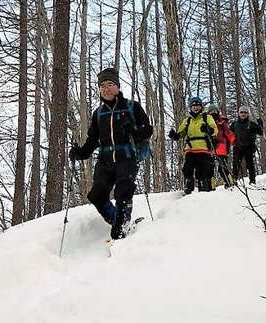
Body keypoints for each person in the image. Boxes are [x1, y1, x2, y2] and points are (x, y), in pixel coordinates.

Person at [69, 67, 153, 240]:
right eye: (102, 86)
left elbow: (148, 130)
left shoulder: (132, 107)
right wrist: (80, 153)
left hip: (127, 157)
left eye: (110, 84)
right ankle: (119, 221)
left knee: (123, 191)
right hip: (105, 160)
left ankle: (120, 231)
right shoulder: (98, 113)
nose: (106, 88)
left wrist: (134, 131)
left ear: (118, 87)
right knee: (96, 195)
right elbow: (92, 140)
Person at [168, 96, 218, 194]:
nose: (195, 107)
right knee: (187, 168)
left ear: (201, 107)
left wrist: (208, 129)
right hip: (190, 149)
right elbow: (181, 132)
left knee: (202, 171)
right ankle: (188, 185)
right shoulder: (187, 120)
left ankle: (203, 187)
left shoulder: (207, 117)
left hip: (204, 148)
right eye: (193, 105)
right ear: (190, 107)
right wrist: (175, 135)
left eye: (198, 105)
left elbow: (214, 130)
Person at [230, 105, 263, 185]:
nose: (243, 114)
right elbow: (229, 134)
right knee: (236, 165)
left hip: (249, 147)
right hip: (237, 147)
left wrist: (260, 125)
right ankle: (234, 181)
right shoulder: (234, 124)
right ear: (238, 114)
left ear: (248, 114)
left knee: (250, 165)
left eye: (245, 112)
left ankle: (252, 181)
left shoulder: (251, 124)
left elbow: (260, 132)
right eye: (241, 112)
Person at [206, 104, 236, 188]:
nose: (213, 113)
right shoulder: (206, 122)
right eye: (211, 112)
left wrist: (234, 140)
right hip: (210, 147)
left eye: (215, 111)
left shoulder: (222, 122)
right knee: (210, 168)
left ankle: (229, 182)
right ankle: (210, 186)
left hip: (221, 146)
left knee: (222, 167)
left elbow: (228, 133)